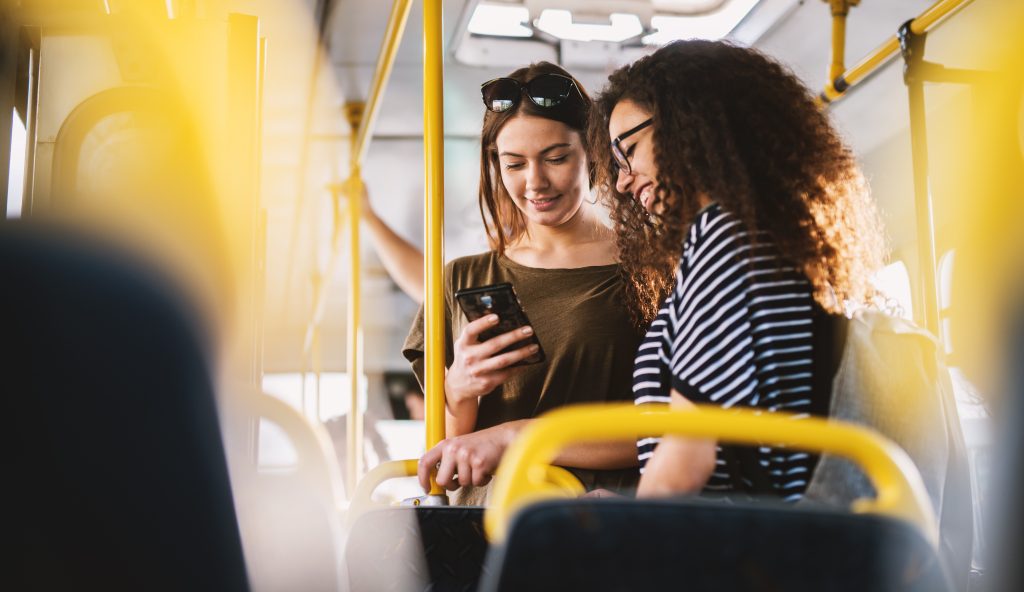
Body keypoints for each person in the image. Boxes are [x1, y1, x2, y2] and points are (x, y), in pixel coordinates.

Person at [589, 40, 887, 501]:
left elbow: (689, 459)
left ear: (689, 126)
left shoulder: (723, 236)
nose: (624, 181)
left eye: (629, 150)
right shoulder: (780, 237)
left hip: (742, 550)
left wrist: (630, 531)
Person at [403, 62, 642, 503]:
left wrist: (520, 437)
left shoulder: (646, 270)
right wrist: (458, 391)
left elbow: (668, 428)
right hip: (485, 526)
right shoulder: (463, 278)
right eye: (514, 164)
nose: (535, 182)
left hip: (598, 517)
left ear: (593, 152)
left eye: (556, 158)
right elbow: (446, 459)